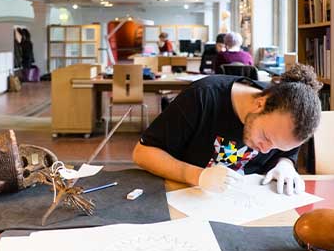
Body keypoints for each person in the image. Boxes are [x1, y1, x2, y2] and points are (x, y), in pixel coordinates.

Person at [132, 64, 322, 195]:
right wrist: (197, 175)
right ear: (260, 104)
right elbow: (142, 153)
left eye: (276, 147)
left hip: (241, 206)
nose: (264, 150)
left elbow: (287, 151)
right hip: (186, 196)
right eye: (266, 138)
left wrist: (285, 164)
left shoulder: (285, 125)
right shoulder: (202, 98)